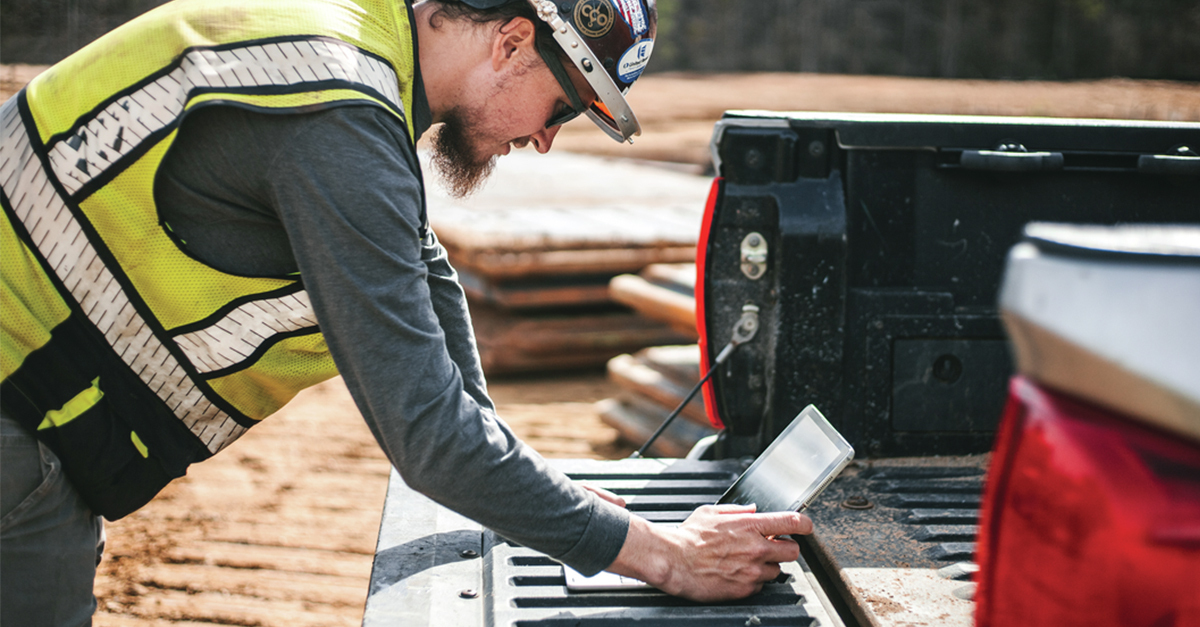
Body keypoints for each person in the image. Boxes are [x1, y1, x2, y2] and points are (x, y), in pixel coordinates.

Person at [0, 0, 812, 623]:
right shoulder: (339, 122)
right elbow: (428, 434)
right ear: (512, 43)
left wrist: (522, 482)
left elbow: (426, 272)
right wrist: (664, 556)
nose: (546, 141)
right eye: (563, 108)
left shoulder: (355, 45)